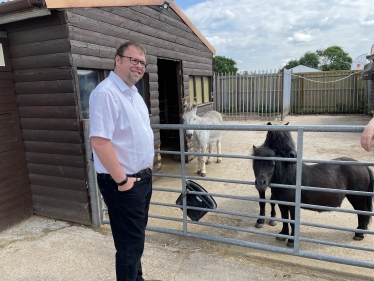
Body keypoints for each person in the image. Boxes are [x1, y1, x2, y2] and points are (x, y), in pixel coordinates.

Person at [89, 41, 157, 281]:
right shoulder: (106, 93)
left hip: (141, 178)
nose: (139, 66)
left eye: (143, 63)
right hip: (123, 183)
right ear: (118, 60)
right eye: (134, 60)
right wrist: (123, 181)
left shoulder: (133, 94)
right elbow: (99, 142)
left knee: (135, 241)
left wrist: (147, 164)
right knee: (129, 247)